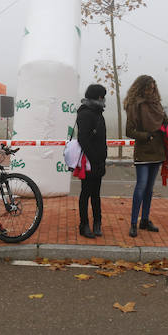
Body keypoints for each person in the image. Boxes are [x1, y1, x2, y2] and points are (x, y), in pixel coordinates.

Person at [125, 75, 167, 238]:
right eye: (149, 88)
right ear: (141, 88)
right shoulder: (135, 105)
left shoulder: (157, 104)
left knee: (149, 188)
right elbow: (129, 131)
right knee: (141, 187)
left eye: (153, 87)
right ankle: (133, 223)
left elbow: (165, 122)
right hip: (143, 152)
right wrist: (147, 136)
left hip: (158, 151)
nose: (152, 90)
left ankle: (145, 220)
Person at [76, 84, 108, 238]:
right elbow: (83, 139)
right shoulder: (85, 113)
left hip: (99, 160)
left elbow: (102, 137)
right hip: (89, 161)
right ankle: (84, 224)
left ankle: (97, 223)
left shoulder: (99, 112)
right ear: (97, 97)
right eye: (102, 96)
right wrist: (94, 158)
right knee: (86, 193)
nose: (104, 99)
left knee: (96, 194)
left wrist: (103, 156)